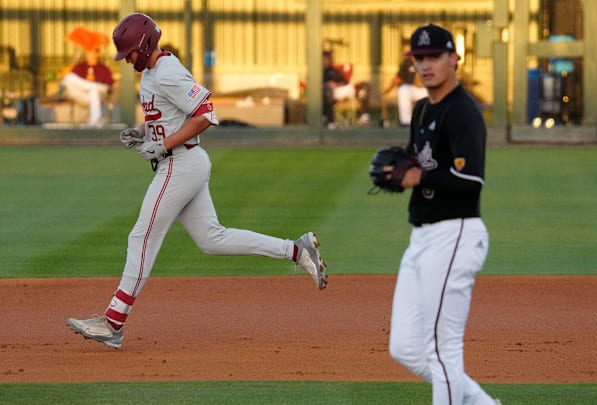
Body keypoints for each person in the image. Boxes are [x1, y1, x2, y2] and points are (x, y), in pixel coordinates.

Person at [67, 13, 328, 349]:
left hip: (181, 164)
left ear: (145, 45)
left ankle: (113, 322)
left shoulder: (168, 71)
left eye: (130, 52)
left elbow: (206, 114)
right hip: (180, 161)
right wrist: (144, 132)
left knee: (142, 236)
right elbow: (170, 116)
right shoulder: (150, 73)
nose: (127, 59)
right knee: (212, 239)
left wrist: (164, 144)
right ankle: (295, 250)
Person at [387, 24, 500, 405]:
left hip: (456, 234)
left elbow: (471, 179)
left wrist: (416, 176)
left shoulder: (464, 113)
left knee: (442, 349)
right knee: (405, 347)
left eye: (434, 56)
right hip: (421, 237)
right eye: (419, 58)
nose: (425, 65)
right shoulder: (421, 109)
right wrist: (396, 171)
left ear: (455, 59)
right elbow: (415, 162)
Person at [61, 48, 114, 127]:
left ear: (98, 54)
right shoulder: (79, 67)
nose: (92, 55)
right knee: (68, 77)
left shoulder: (104, 69)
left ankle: (94, 122)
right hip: (82, 95)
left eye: (94, 53)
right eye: (89, 52)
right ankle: (92, 87)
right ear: (85, 53)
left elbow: (108, 86)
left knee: (94, 93)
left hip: (100, 94)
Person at [382, 42, 428, 127]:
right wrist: (388, 89)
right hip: (411, 89)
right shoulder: (406, 62)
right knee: (403, 90)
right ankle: (406, 121)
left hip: (426, 89)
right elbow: (398, 78)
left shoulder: (426, 61)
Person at [322, 49, 370, 128]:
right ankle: (330, 121)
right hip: (328, 93)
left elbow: (345, 81)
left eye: (328, 58)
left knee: (364, 88)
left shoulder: (334, 70)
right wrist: (327, 84)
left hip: (340, 90)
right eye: (325, 58)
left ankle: (363, 117)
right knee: (327, 90)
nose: (327, 60)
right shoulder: (319, 72)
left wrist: (337, 84)